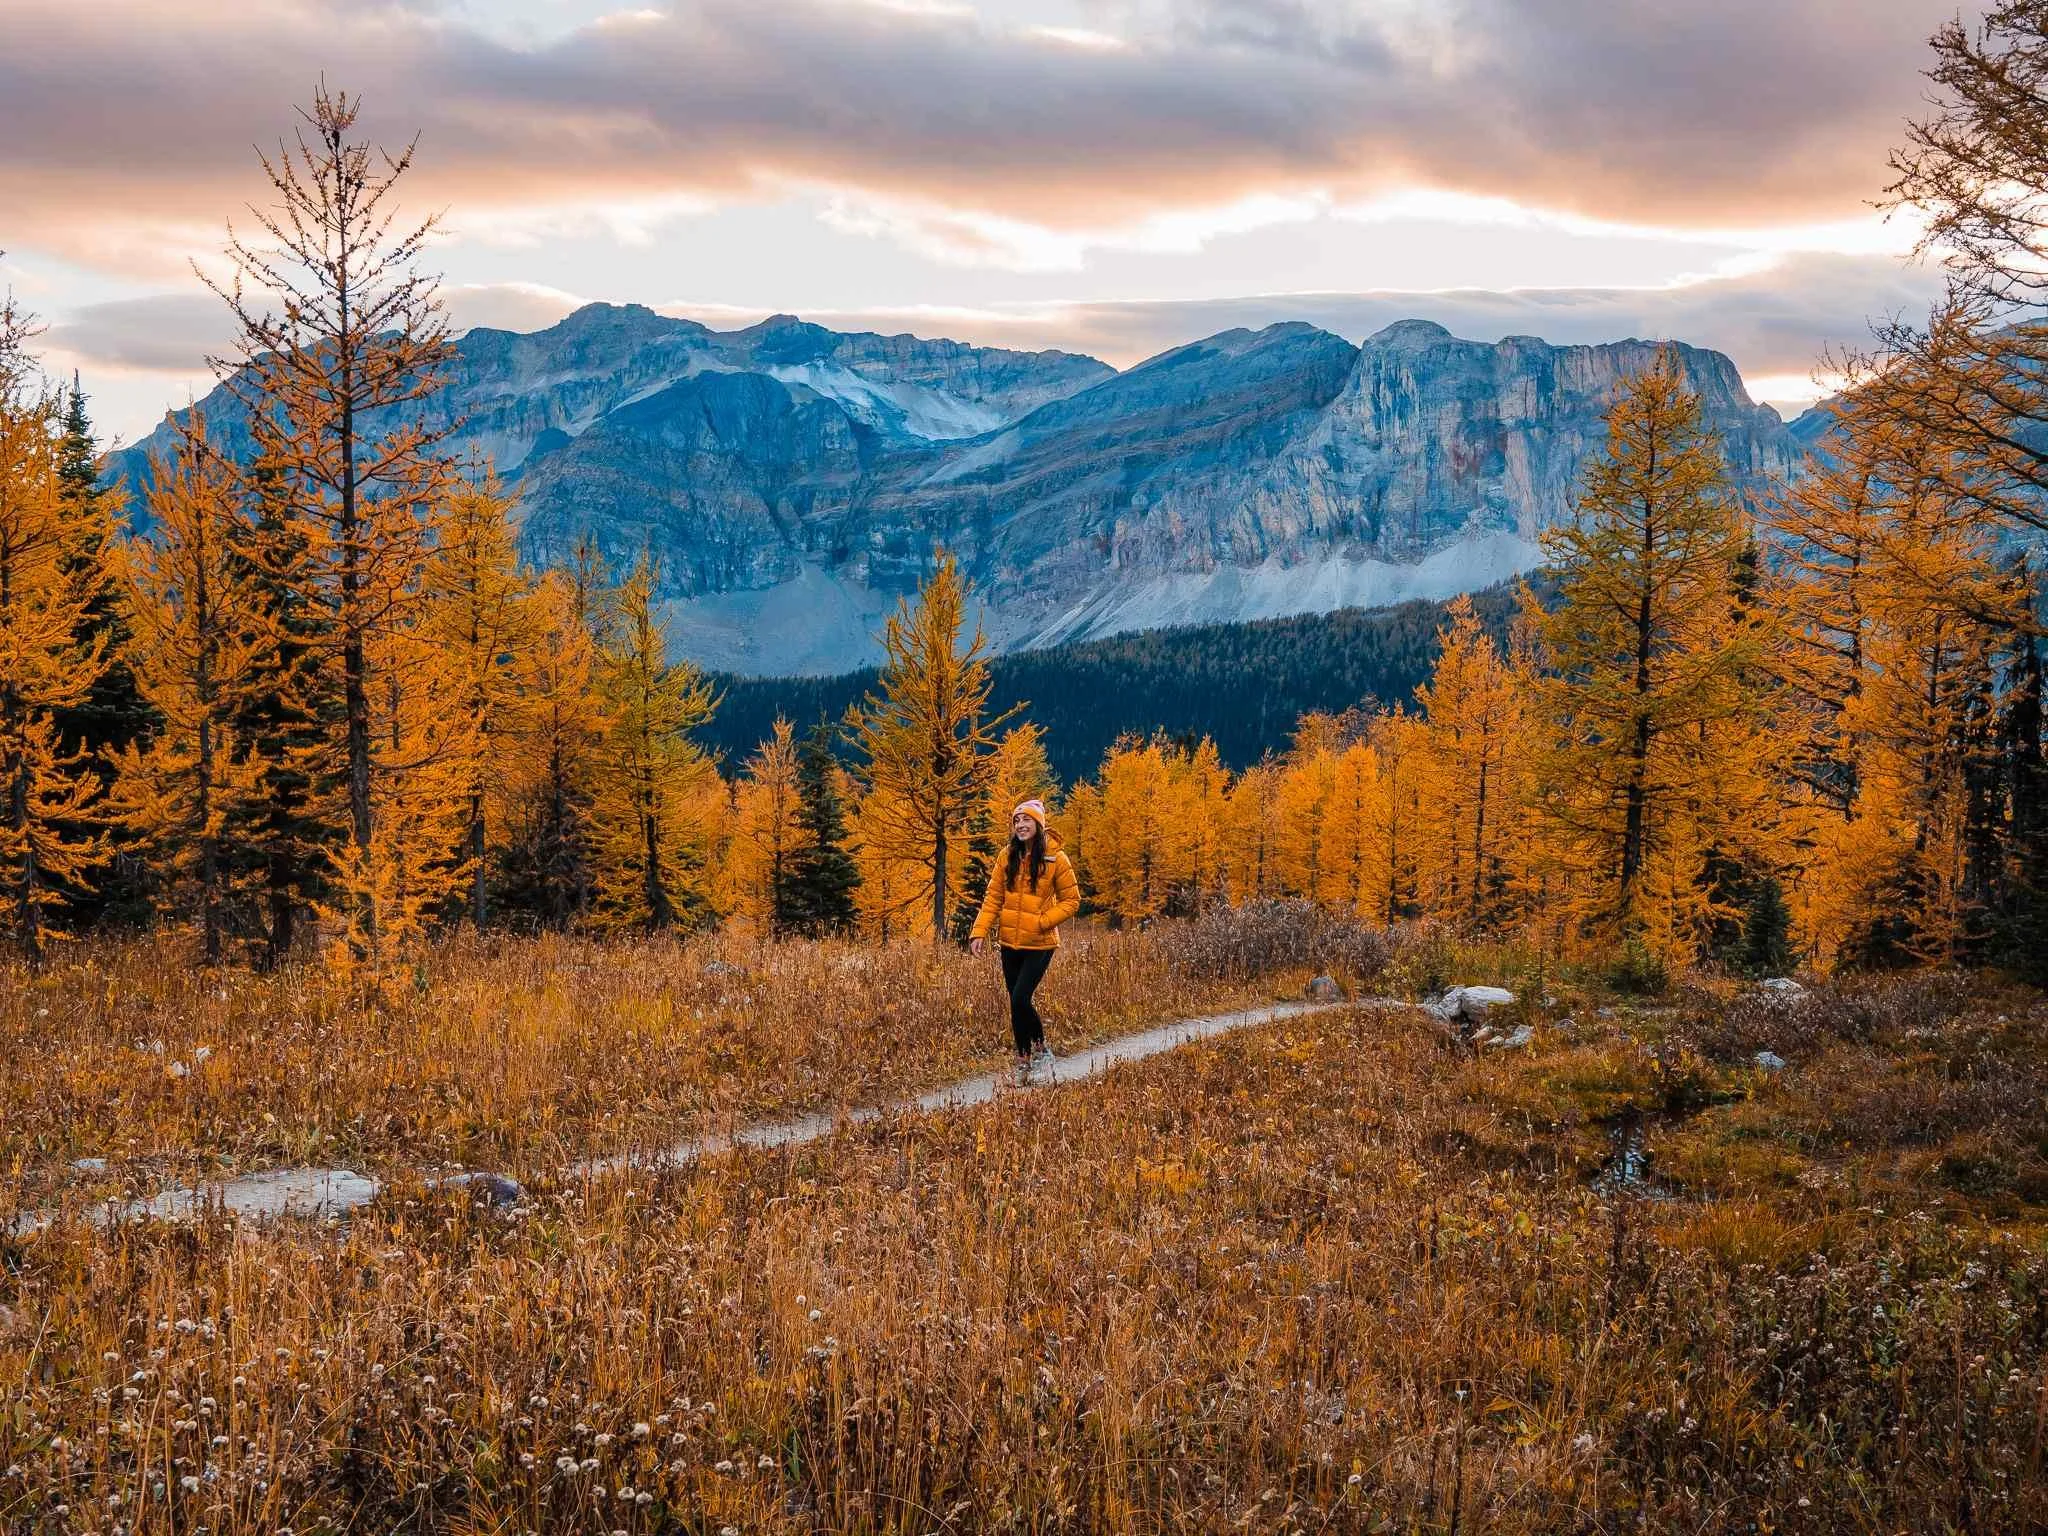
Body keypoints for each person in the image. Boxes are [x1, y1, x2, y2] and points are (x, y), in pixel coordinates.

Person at [969, 799, 1081, 1084]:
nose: (1020, 825)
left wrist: (1043, 921)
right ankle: (1029, 1053)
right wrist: (979, 931)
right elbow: (993, 897)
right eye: (1016, 821)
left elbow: (1072, 901)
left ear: (1039, 824)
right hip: (1010, 942)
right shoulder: (1007, 856)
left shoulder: (1057, 859)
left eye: (1026, 820)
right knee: (1016, 1001)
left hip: (1041, 943)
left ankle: (1030, 1054)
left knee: (1020, 997)